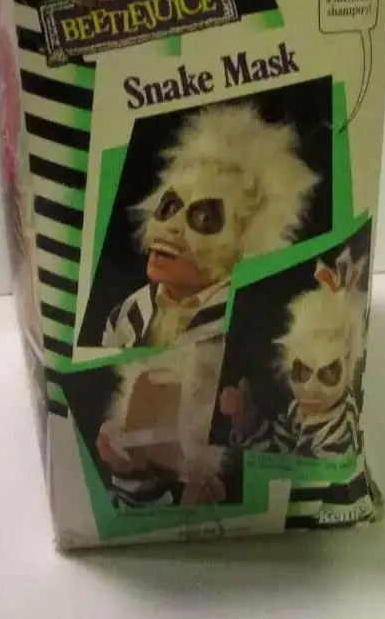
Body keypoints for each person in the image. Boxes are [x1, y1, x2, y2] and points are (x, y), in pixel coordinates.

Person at [95, 103, 319, 507]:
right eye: (168, 207)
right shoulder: (127, 316)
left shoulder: (248, 331)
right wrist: (128, 467)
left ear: (245, 240)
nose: (170, 226)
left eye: (203, 217)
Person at [220, 247, 368, 458]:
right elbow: (274, 450)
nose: (310, 388)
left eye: (329, 373)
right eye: (302, 372)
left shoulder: (342, 429)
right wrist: (243, 419)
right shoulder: (297, 409)